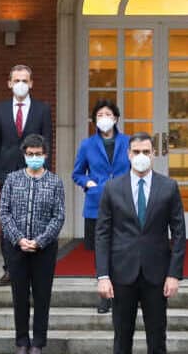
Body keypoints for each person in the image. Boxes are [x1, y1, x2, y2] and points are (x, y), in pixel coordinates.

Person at [95, 132, 187, 354]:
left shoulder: (169, 187)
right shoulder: (112, 188)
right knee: (122, 337)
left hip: (156, 274)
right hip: (122, 273)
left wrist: (174, 274)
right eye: (136, 152)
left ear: (154, 154)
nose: (141, 156)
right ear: (128, 154)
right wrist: (103, 276)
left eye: (146, 152)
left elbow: (179, 233)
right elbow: (102, 234)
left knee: (157, 338)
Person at [0, 134, 65, 354]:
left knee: (42, 296)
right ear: (24, 155)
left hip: (44, 250)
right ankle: (21, 341)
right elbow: (4, 212)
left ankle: (38, 342)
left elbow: (58, 217)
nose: (34, 158)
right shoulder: (12, 179)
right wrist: (18, 239)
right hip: (16, 248)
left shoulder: (55, 182)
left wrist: (40, 241)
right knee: (19, 296)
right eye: (30, 154)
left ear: (45, 155)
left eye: (38, 154)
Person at [0, 64, 52, 288]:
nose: (21, 84)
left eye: (25, 80)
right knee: (8, 223)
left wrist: (47, 175)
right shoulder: (0, 109)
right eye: (16, 80)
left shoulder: (42, 109)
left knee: (34, 220)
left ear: (32, 83)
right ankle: (10, 270)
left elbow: (47, 144)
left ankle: (32, 269)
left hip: (35, 173)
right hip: (7, 174)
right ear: (9, 83)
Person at [70, 99, 130, 314]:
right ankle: (104, 295)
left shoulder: (128, 142)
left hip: (124, 203)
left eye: (108, 114)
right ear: (95, 120)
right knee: (101, 251)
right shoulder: (87, 144)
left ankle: (122, 293)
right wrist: (89, 183)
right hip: (97, 203)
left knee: (123, 249)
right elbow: (77, 173)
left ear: (115, 118)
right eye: (100, 115)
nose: (104, 118)